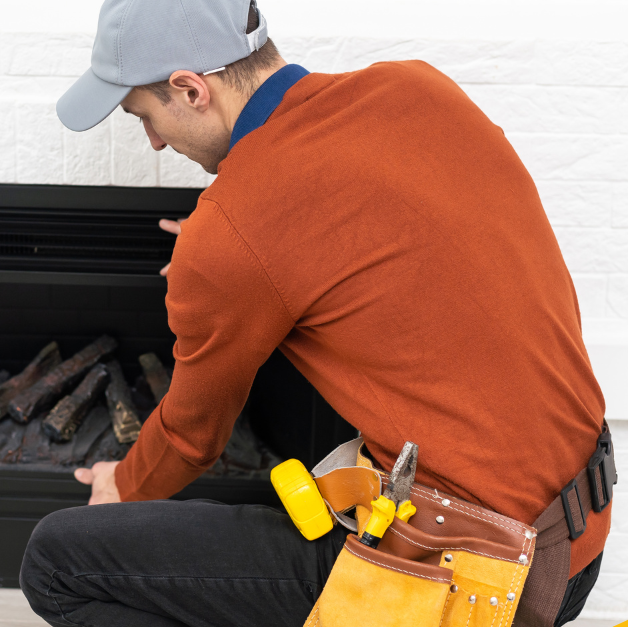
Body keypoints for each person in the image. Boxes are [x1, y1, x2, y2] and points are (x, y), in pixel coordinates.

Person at [20, 1, 613, 626]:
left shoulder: (236, 229)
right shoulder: (417, 87)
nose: (155, 141)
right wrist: (232, 249)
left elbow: (192, 439)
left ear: (190, 89)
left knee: (56, 564)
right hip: (576, 531)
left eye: (144, 116)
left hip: (478, 578)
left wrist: (121, 484)